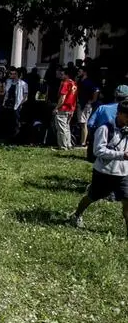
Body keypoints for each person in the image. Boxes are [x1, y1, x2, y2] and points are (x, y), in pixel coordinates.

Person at [71, 101, 128, 236]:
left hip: (123, 173)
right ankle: (77, 214)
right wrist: (121, 155)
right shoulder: (105, 129)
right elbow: (98, 150)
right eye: (127, 116)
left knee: (127, 202)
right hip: (104, 172)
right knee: (93, 196)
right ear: (119, 114)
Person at [0, 66, 28, 141]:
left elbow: (25, 96)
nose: (13, 75)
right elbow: (6, 92)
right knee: (7, 121)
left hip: (16, 105)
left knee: (16, 122)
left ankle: (15, 138)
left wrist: (20, 105)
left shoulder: (23, 84)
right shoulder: (8, 81)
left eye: (14, 74)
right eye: (12, 74)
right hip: (7, 104)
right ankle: (6, 136)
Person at [54, 68, 78, 150]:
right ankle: (68, 144)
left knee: (61, 128)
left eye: (62, 74)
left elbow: (63, 98)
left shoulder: (66, 83)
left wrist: (57, 107)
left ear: (67, 75)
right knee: (67, 128)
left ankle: (63, 146)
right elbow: (75, 98)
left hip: (63, 108)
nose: (61, 76)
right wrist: (73, 109)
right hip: (70, 108)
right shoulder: (74, 83)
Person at [76, 66, 100, 147]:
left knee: (84, 123)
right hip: (81, 103)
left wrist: (93, 100)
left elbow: (96, 90)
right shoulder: (80, 81)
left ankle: (83, 143)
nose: (78, 72)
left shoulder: (89, 82)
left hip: (86, 104)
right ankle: (82, 141)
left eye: (80, 71)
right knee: (82, 123)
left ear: (85, 72)